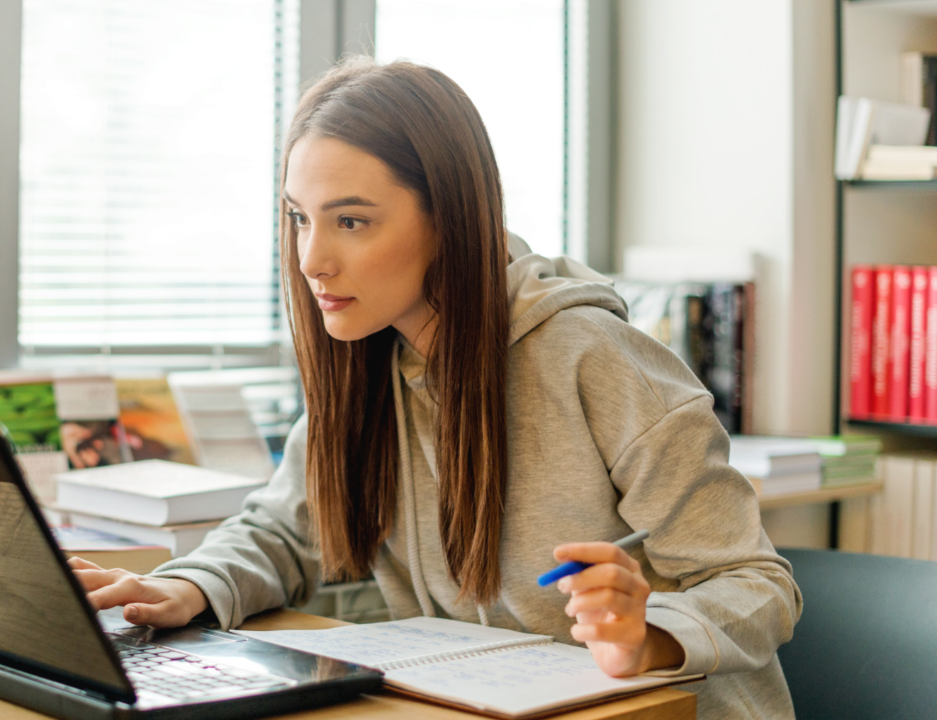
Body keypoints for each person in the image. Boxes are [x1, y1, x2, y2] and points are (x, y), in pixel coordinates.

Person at [67, 57, 802, 719]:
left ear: (449, 219)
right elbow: (283, 533)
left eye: (350, 220)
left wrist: (649, 637)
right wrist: (188, 587)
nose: (312, 259)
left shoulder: (594, 358)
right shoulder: (368, 361)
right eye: (299, 219)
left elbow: (757, 584)